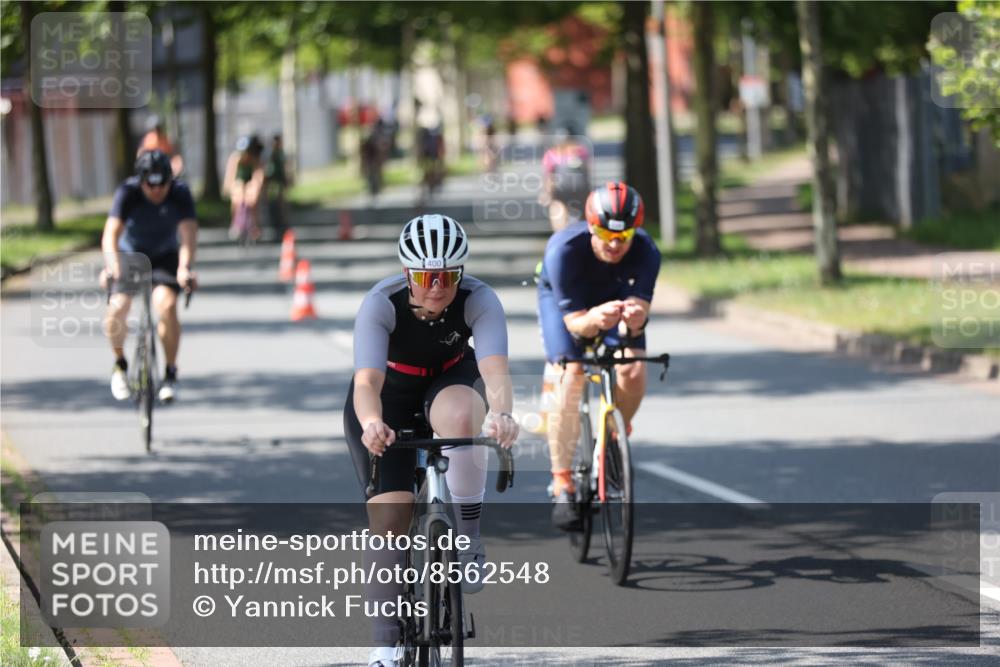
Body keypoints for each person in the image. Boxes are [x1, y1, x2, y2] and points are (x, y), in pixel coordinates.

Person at [345, 214, 518, 666]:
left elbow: (495, 369)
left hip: (450, 382)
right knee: (390, 518)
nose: (437, 286)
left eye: (447, 276)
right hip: (389, 396)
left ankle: (468, 538)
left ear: (460, 275)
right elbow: (366, 382)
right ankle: (384, 645)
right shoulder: (381, 303)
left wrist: (501, 413)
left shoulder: (480, 299)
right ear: (408, 274)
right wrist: (371, 423)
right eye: (425, 276)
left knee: (463, 415)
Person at [535, 183, 661, 529]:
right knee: (570, 374)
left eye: (625, 235)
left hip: (613, 300)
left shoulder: (647, 251)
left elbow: (640, 314)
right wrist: (592, 320)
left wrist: (637, 318)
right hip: (570, 309)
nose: (616, 244)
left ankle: (612, 441)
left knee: (633, 371)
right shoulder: (563, 249)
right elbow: (577, 326)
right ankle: (562, 481)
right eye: (606, 233)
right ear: (591, 226)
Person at [102, 150, 198, 403]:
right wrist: (112, 266)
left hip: (164, 256)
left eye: (162, 184)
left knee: (166, 304)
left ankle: (170, 373)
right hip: (130, 255)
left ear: (170, 180)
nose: (156, 190)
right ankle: (120, 366)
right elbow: (111, 233)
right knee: (118, 306)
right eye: (150, 184)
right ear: (141, 180)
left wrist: (184, 268)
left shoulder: (180, 193)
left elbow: (188, 234)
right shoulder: (127, 192)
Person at [540, 127, 591, 233]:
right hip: (581, 188)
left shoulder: (552, 154)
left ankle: (560, 235)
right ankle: (582, 235)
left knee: (557, 207)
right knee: (584, 213)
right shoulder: (582, 152)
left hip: (561, 188)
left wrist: (547, 193)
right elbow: (588, 172)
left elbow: (550, 177)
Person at [223, 135, 265, 241]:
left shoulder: (255, 160)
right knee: (236, 198)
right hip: (239, 184)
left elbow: (258, 176)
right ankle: (235, 224)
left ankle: (255, 225)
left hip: (250, 184)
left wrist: (255, 187)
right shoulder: (235, 159)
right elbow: (230, 177)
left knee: (253, 199)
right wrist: (231, 188)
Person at [264, 133, 292, 240]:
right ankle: (275, 226)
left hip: (280, 182)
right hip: (272, 183)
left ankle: (283, 226)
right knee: (273, 205)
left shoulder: (281, 154)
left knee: (282, 205)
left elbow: (285, 168)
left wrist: (287, 180)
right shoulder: (270, 155)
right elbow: (266, 171)